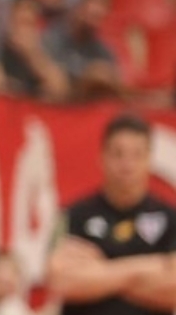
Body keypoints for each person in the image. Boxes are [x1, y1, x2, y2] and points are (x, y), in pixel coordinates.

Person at [47, 114, 176, 315]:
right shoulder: (74, 214)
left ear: (149, 159)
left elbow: (172, 289)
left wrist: (99, 271)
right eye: (118, 154)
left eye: (137, 155)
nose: (127, 164)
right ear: (101, 157)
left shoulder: (170, 217)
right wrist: (152, 267)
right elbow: (61, 281)